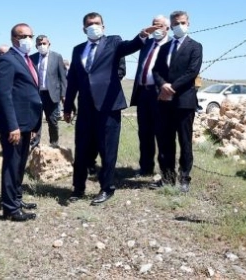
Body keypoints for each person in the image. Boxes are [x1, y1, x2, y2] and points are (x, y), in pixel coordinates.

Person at [63, 12, 159, 205]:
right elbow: (72, 79)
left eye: (97, 23)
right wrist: (68, 106)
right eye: (90, 24)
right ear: (84, 29)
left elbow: (129, 46)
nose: (94, 26)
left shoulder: (113, 42)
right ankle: (78, 188)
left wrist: (142, 35)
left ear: (103, 26)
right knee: (82, 149)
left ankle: (107, 188)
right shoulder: (78, 49)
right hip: (85, 108)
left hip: (108, 106)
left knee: (108, 149)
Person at [0, 23, 42, 221]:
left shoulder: (27, 60)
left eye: (30, 36)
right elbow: (4, 95)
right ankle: (10, 209)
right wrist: (13, 126)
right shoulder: (7, 61)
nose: (28, 40)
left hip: (27, 122)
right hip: (14, 125)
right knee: (12, 165)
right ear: (14, 38)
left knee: (20, 164)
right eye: (23, 36)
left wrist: (32, 125)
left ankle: (17, 199)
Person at [150, 10, 203, 192]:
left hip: (184, 101)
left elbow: (192, 71)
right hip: (165, 102)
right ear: (171, 26)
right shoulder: (164, 48)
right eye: (175, 23)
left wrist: (171, 88)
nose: (179, 26)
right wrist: (162, 85)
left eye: (182, 22)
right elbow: (156, 71)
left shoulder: (195, 47)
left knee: (185, 141)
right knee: (166, 141)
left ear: (188, 24)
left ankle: (184, 178)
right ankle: (168, 177)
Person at [130, 15, 170, 177]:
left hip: (160, 94)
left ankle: (165, 172)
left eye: (160, 26)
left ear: (167, 28)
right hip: (143, 93)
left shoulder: (171, 45)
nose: (156, 29)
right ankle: (146, 168)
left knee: (162, 133)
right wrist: (144, 33)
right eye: (154, 25)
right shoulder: (147, 44)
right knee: (144, 133)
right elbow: (133, 44)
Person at [29, 35, 67, 148]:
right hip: (36, 94)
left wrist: (63, 95)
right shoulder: (31, 58)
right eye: (39, 44)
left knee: (53, 121)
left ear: (49, 44)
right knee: (36, 121)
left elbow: (63, 77)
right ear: (36, 46)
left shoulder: (57, 57)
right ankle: (34, 145)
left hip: (52, 94)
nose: (42, 46)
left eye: (44, 43)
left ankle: (54, 144)